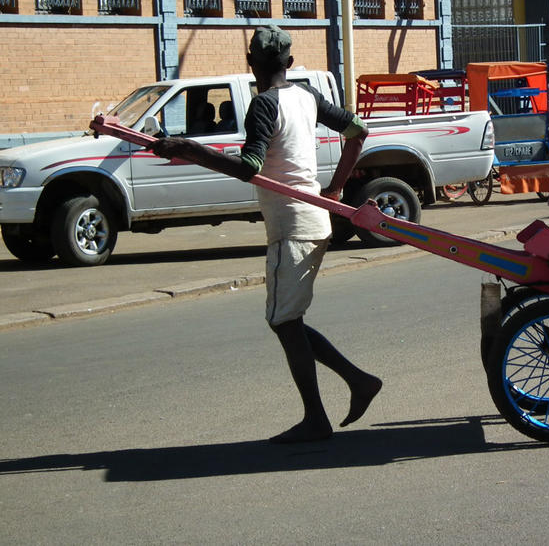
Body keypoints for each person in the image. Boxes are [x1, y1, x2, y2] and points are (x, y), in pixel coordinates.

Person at [146, 25, 381, 443]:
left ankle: (320, 415)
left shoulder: (263, 105)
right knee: (288, 321)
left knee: (284, 322)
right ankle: (356, 382)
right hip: (313, 218)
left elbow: (248, 168)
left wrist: (189, 149)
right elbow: (357, 133)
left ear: (250, 63)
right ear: (289, 64)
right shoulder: (306, 96)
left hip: (292, 226)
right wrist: (335, 187)